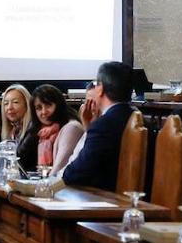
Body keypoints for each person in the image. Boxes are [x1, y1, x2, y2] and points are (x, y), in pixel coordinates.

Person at [61, 61, 135, 191]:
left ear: (100, 89)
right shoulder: (138, 119)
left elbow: (77, 173)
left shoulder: (105, 124)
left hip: (107, 198)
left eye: (96, 85)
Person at [28, 84, 85, 174]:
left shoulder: (71, 128)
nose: (43, 112)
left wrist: (40, 186)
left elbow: (59, 170)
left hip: (65, 186)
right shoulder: (42, 132)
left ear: (59, 105)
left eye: (48, 105)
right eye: (39, 108)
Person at [0, 84, 35, 169]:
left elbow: (19, 158)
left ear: (27, 105)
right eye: (6, 103)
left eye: (15, 102)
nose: (9, 107)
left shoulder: (33, 130)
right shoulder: (14, 130)